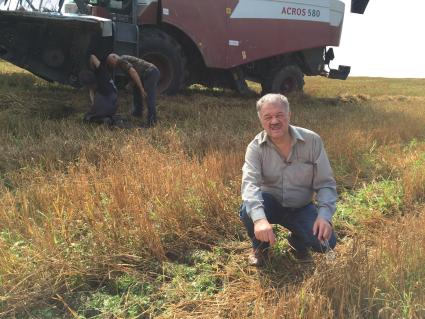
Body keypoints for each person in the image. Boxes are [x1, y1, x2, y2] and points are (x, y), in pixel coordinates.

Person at [240, 93, 337, 266]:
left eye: (279, 115)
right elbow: (250, 184)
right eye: (267, 117)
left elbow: (326, 184)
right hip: (270, 204)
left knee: (327, 243)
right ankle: (260, 248)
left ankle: (297, 241)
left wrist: (324, 216)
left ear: (289, 115)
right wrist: (259, 219)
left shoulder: (312, 141)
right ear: (261, 120)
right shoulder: (255, 148)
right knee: (248, 210)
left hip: (301, 207)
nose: (274, 121)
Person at [105, 53, 160, 127]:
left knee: (148, 97)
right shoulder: (122, 62)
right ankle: (137, 113)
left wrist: (142, 89)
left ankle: (152, 122)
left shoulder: (121, 60)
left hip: (150, 73)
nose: (112, 66)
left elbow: (133, 72)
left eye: (111, 63)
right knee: (136, 90)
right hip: (146, 74)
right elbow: (135, 73)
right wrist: (131, 84)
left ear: (115, 57)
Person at [79, 54, 118, 124]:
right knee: (102, 109)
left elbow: (93, 101)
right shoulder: (102, 71)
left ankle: (103, 119)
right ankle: (109, 117)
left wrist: (94, 107)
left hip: (103, 101)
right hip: (114, 102)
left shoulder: (91, 85)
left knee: (87, 117)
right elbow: (93, 57)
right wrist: (93, 68)